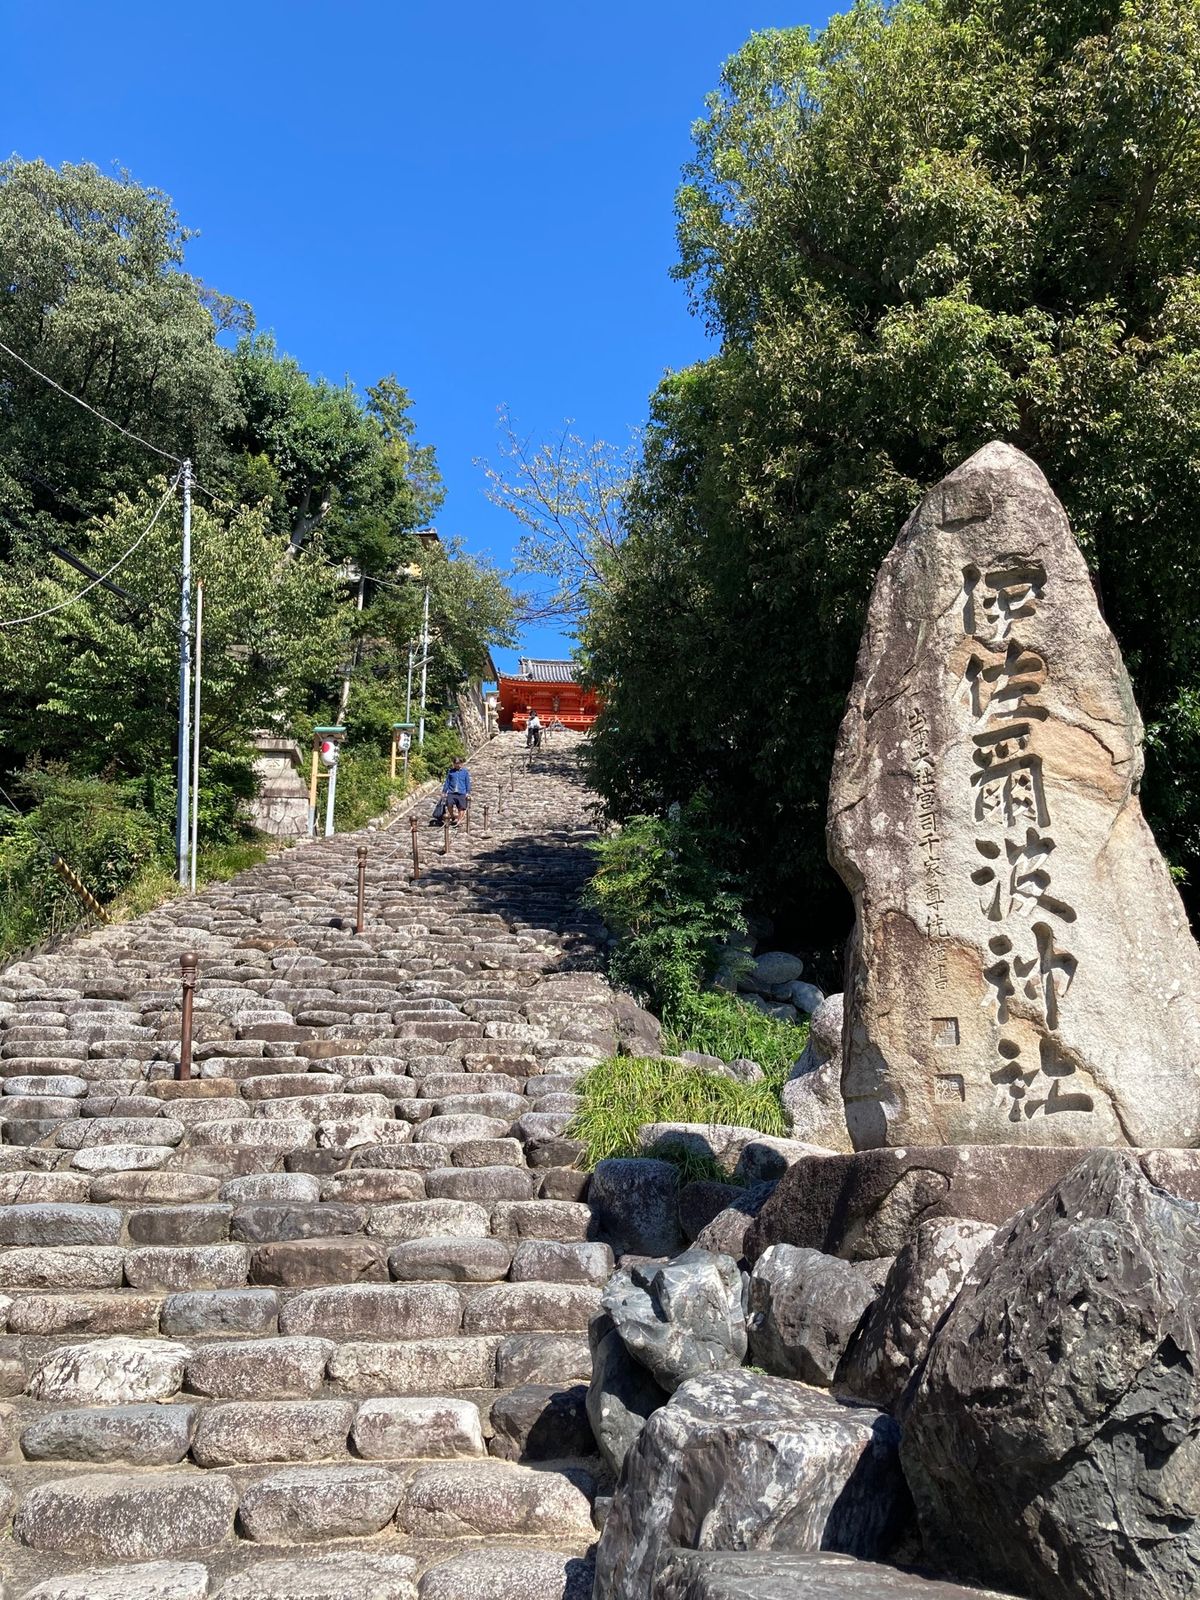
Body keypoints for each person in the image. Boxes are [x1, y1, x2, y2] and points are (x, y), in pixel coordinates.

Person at [432, 756, 471, 825]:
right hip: (451, 791)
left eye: (458, 763)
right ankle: (452, 816)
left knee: (461, 807)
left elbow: (467, 782)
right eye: (456, 763)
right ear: (453, 764)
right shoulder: (451, 772)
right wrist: (444, 791)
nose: (457, 765)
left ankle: (459, 820)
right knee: (449, 804)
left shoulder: (465, 772)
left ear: (461, 763)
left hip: (461, 792)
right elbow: (447, 782)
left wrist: (468, 792)